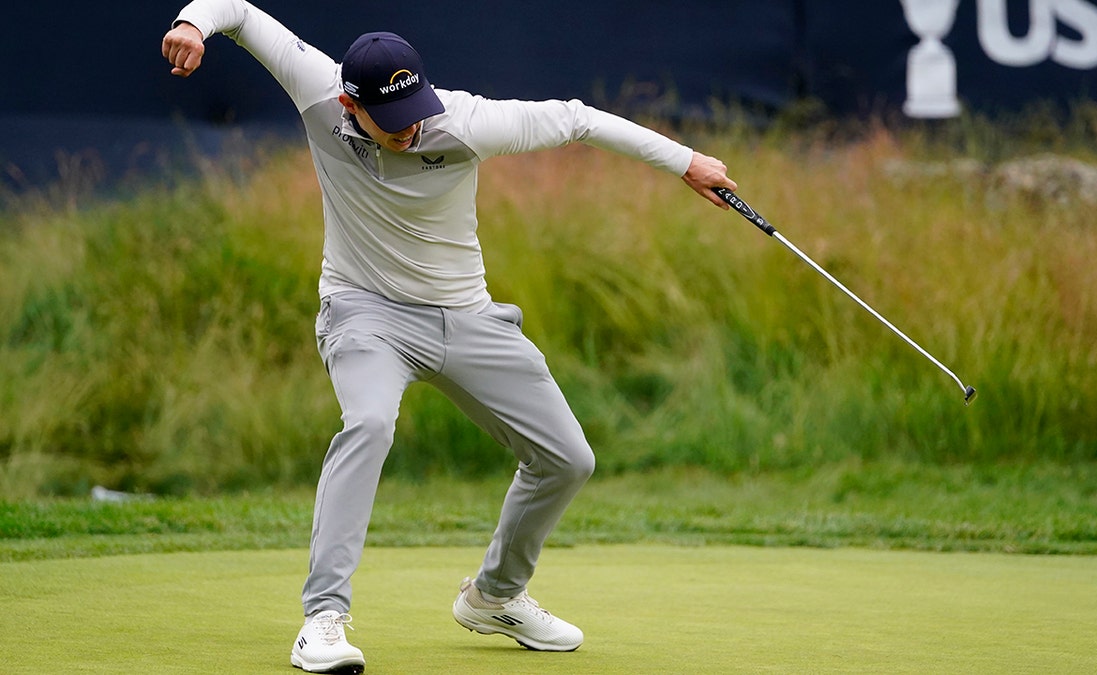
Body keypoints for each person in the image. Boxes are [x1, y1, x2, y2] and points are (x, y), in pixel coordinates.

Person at [162, 1, 736, 672]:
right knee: (369, 424)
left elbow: (578, 116)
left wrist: (686, 160)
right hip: (364, 313)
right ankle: (323, 618)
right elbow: (236, 9)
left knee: (568, 458)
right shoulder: (317, 87)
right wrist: (192, 24)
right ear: (351, 103)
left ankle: (495, 595)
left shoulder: (463, 120)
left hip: (466, 317)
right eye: (394, 121)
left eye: (417, 112)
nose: (412, 130)